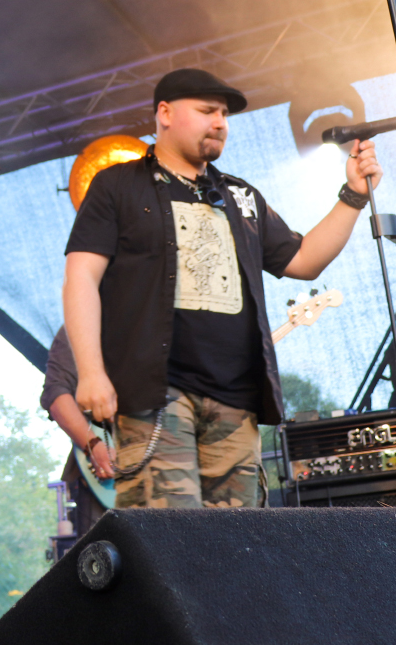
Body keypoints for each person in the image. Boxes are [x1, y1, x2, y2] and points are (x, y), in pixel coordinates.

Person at [64, 67, 381, 510]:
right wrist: (92, 372)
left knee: (236, 551)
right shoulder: (117, 186)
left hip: (236, 397)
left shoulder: (239, 196)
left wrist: (353, 195)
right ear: (165, 113)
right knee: (173, 544)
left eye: (225, 115)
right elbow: (81, 278)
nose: (219, 122)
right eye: (207, 111)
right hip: (156, 395)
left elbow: (303, 261)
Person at [40, 325, 113, 538]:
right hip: (104, 484)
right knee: (105, 561)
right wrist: (93, 445)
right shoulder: (82, 321)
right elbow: (56, 394)